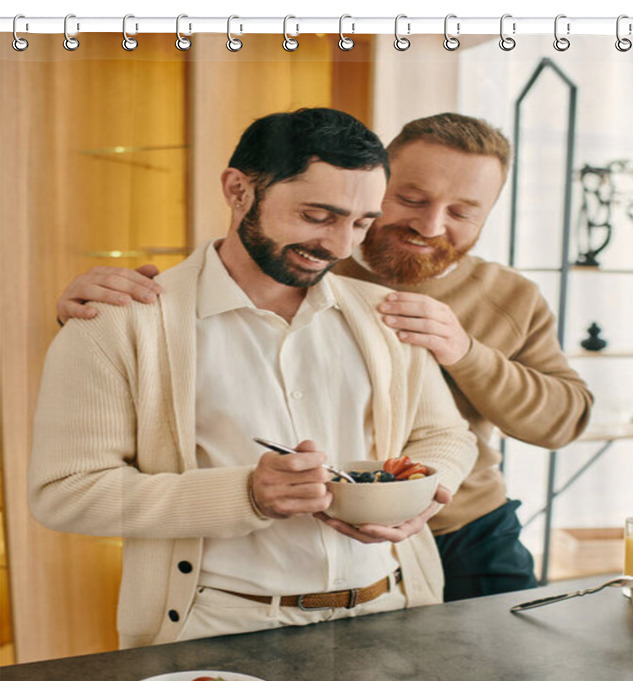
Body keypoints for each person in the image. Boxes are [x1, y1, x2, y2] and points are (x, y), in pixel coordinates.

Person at [55, 112, 593, 603]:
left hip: (468, 527)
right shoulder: (297, 263)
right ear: (378, 183)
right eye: (411, 199)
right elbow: (210, 299)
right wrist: (104, 318)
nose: (431, 225)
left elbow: (562, 420)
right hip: (279, 560)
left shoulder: (511, 296)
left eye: (462, 212)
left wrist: (465, 353)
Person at [29, 108, 477, 649]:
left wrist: (425, 496)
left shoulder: (389, 314)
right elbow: (66, 493)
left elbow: (447, 437)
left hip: (398, 614)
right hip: (221, 634)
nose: (339, 246)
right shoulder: (116, 324)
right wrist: (245, 495)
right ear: (239, 189)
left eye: (360, 223)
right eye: (317, 215)